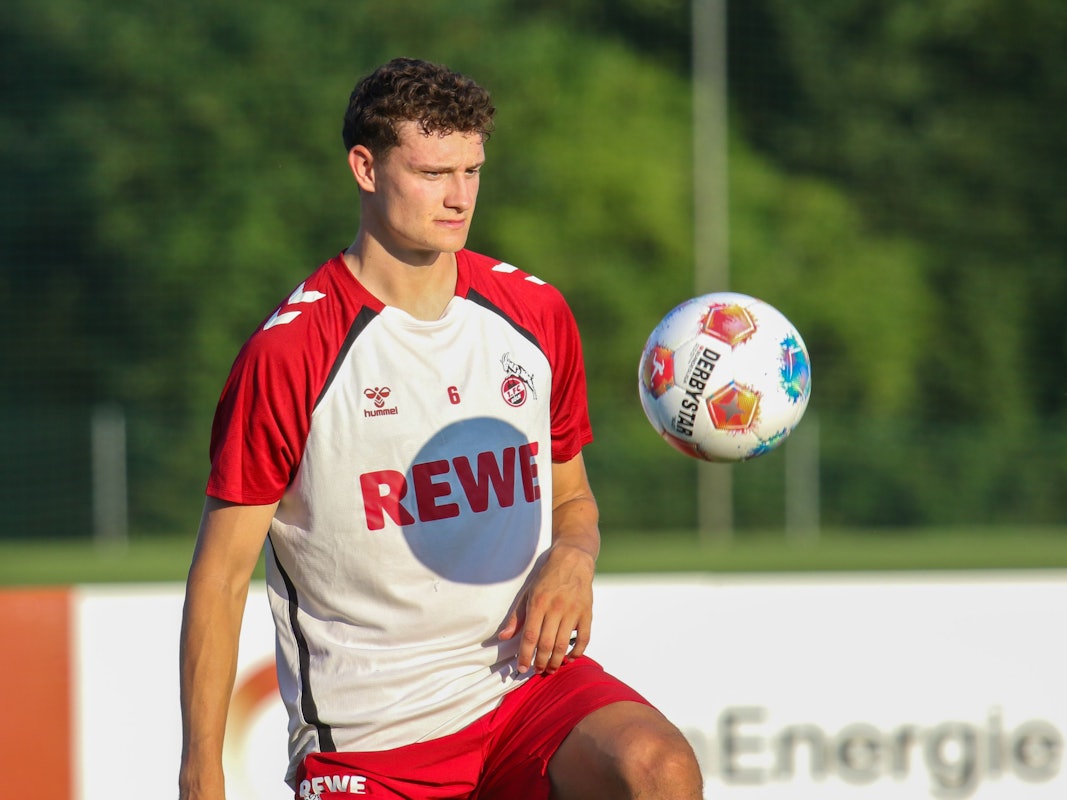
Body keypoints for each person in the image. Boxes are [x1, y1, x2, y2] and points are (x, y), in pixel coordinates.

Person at [178, 57, 703, 800]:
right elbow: (220, 576)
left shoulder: (536, 314)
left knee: (658, 768)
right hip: (375, 733)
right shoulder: (291, 352)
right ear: (365, 167)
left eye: (472, 171)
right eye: (432, 173)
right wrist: (201, 774)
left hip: (520, 692)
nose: (459, 198)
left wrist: (574, 555)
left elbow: (572, 500)